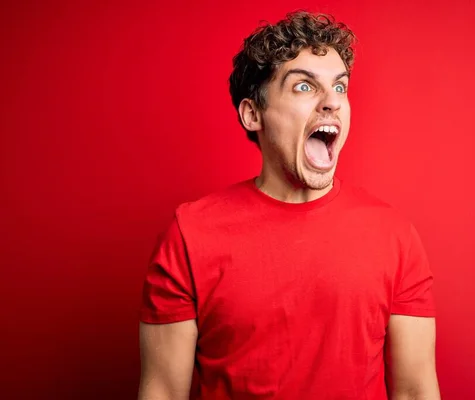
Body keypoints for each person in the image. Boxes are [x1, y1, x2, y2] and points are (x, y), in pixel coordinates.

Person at [138, 10, 440, 400]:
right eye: (304, 87)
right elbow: (162, 391)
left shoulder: (394, 236)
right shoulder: (189, 235)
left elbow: (416, 391)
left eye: (340, 87)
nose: (332, 102)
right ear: (253, 114)